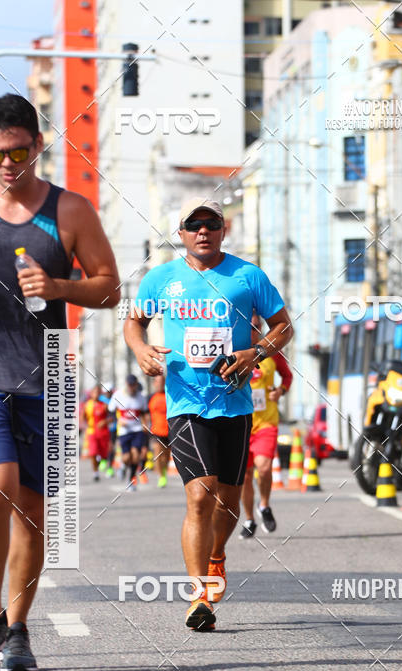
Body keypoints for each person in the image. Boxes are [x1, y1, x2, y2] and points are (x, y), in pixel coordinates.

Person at [0, 94, 120, 671]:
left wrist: (60, 288)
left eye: (17, 152)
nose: (7, 164)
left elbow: (109, 289)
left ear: (38, 145)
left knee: (34, 514)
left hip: (51, 376)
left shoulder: (70, 211)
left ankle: (18, 629)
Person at [124, 195, 293, 631]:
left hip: (234, 403)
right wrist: (141, 348)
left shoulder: (247, 276)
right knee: (201, 494)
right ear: (180, 233)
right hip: (185, 402)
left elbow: (284, 326)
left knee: (229, 502)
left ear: (223, 230)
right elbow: (133, 322)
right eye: (193, 225)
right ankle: (200, 596)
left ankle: (217, 557)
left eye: (211, 224)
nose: (203, 231)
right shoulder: (161, 279)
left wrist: (255, 351)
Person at [239, 312, 293, 539]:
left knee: (263, 467)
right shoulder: (235, 351)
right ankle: (250, 519)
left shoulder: (272, 352)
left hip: (266, 422)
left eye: (257, 327)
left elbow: (287, 376)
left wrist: (280, 391)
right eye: (250, 327)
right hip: (240, 422)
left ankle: (265, 505)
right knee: (245, 476)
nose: (254, 331)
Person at [108, 374, 149, 490]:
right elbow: (110, 411)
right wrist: (118, 419)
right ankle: (123, 466)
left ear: (136, 385)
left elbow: (145, 412)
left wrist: (146, 424)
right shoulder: (118, 395)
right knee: (126, 457)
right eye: (129, 385)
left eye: (133, 385)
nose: (131, 387)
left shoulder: (141, 397)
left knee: (136, 455)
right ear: (126, 384)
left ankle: (131, 479)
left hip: (137, 429)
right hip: (124, 431)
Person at [83, 384, 111, 481]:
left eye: (98, 392)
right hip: (92, 432)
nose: (96, 394)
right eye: (94, 392)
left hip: (103, 432)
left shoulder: (104, 405)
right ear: (91, 393)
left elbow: (112, 418)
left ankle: (102, 460)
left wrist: (105, 421)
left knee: (103, 453)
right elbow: (83, 418)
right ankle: (95, 473)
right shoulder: (87, 405)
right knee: (93, 453)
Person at [148, 374, 171, 488]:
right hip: (156, 431)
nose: (160, 384)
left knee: (166, 457)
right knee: (157, 454)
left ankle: (164, 472)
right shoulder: (151, 397)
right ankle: (161, 476)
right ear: (154, 383)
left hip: (169, 431)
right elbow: (145, 412)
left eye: (162, 382)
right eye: (158, 382)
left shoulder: (170, 395)